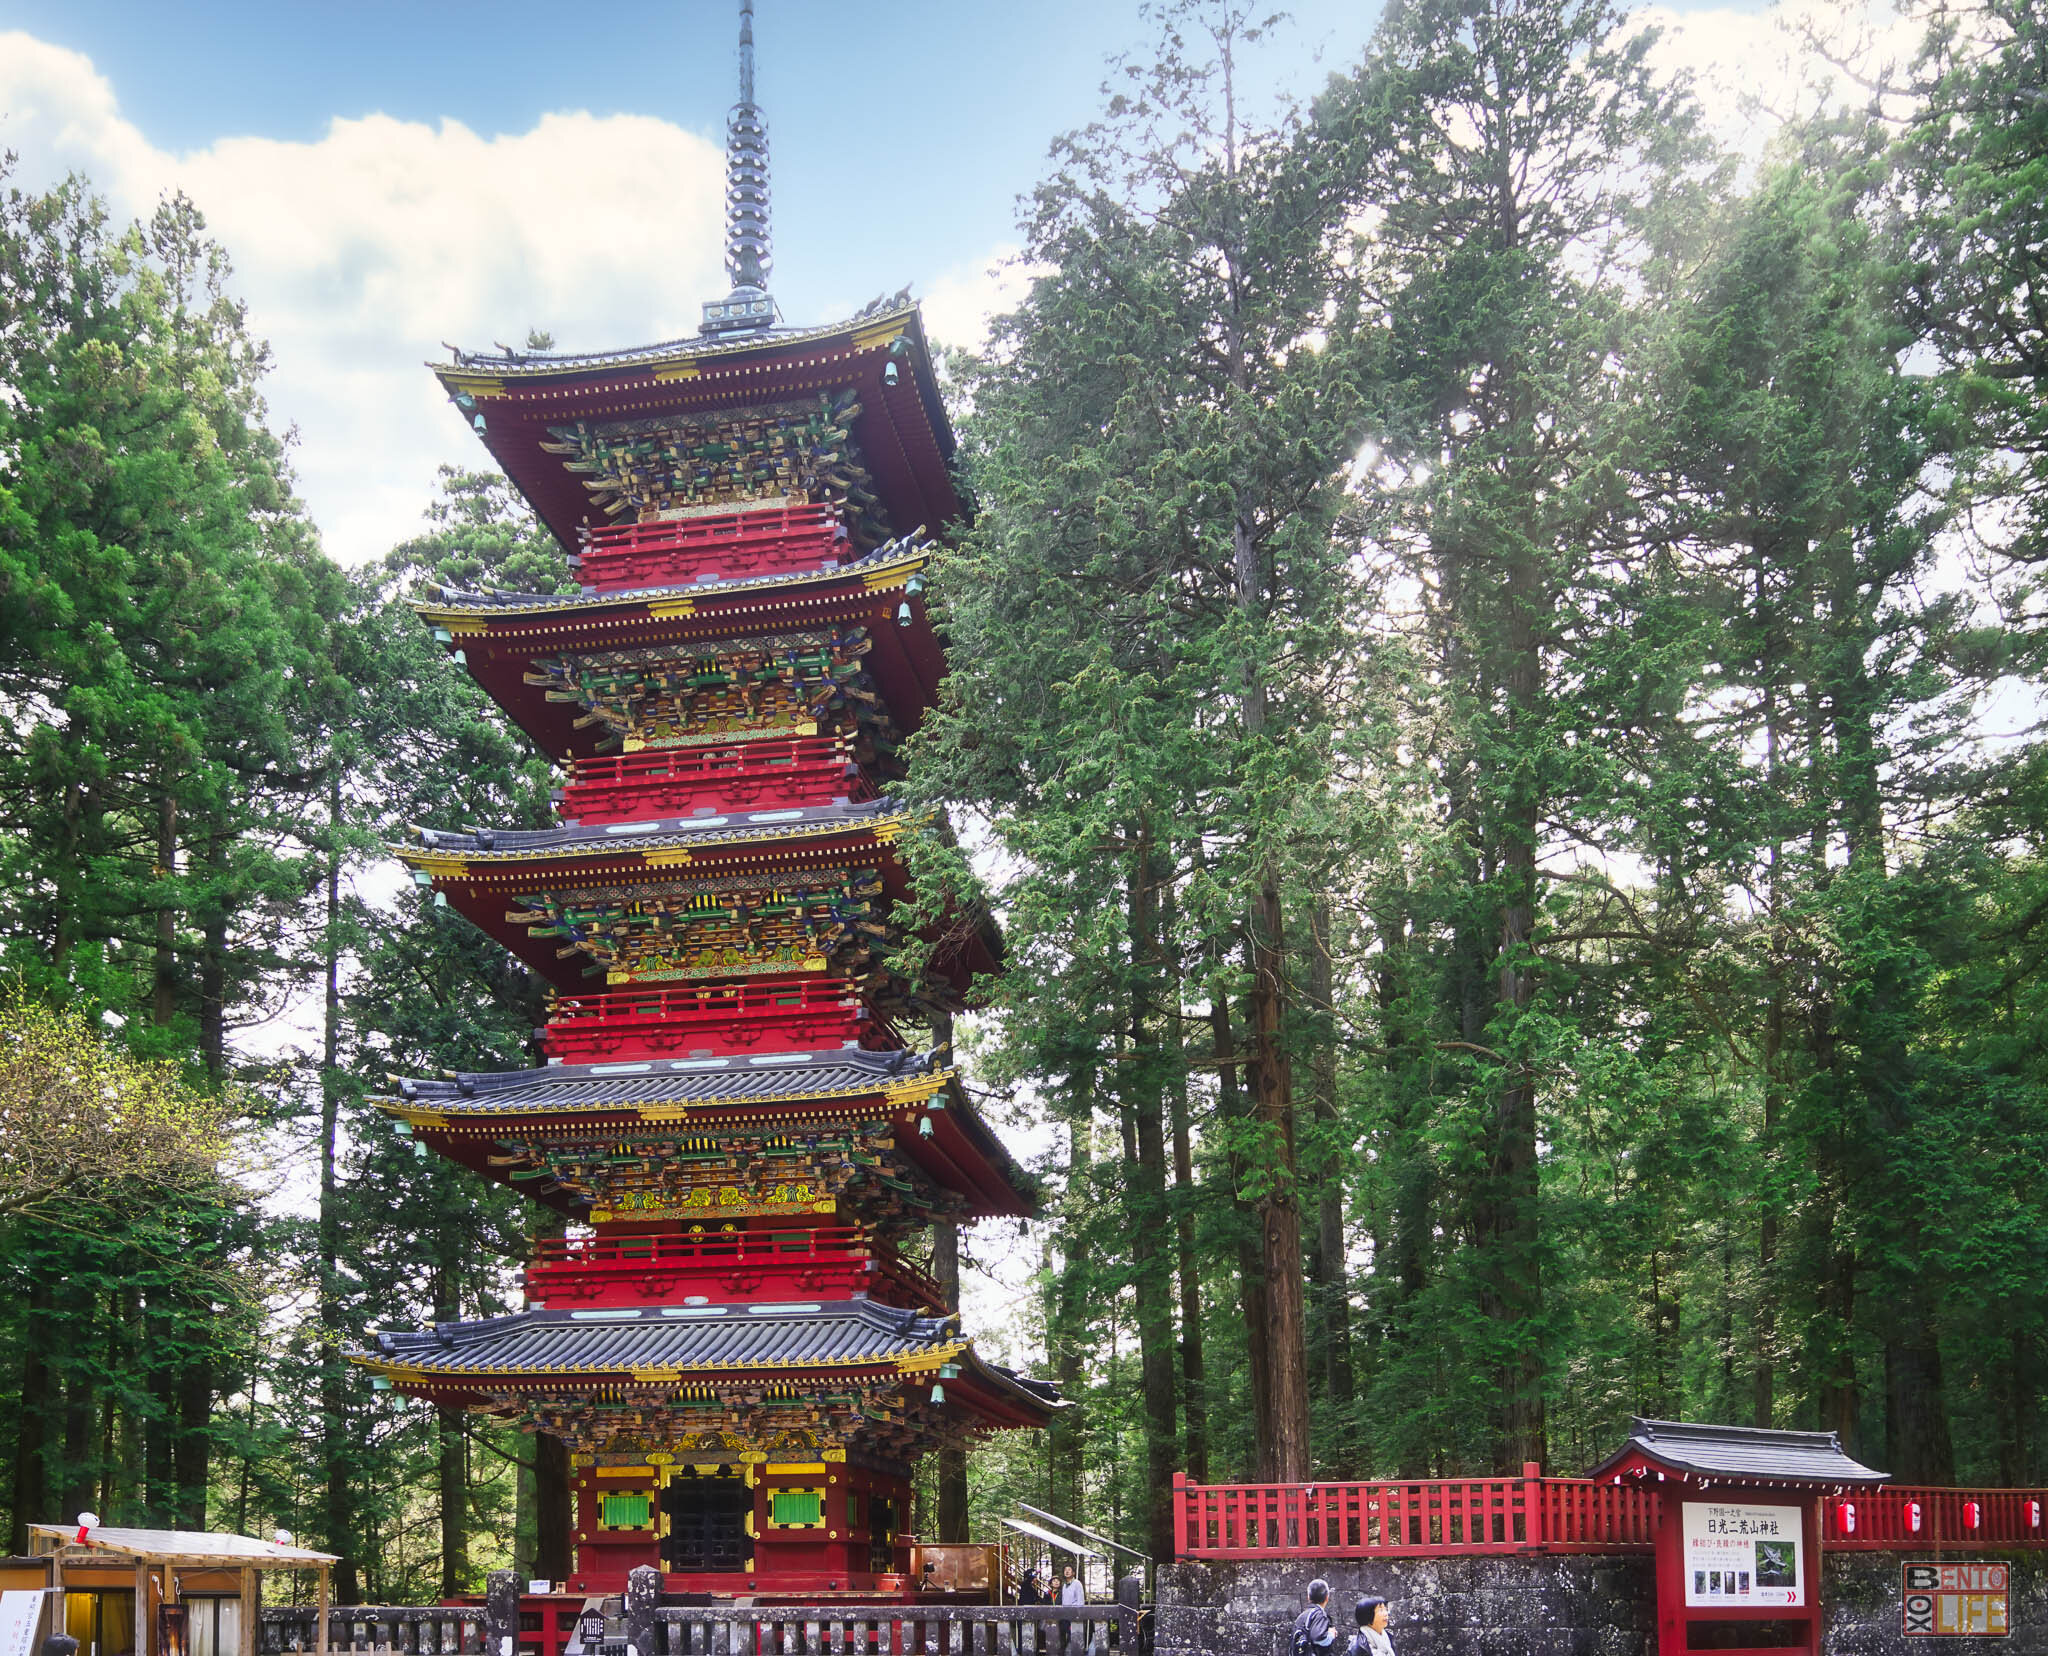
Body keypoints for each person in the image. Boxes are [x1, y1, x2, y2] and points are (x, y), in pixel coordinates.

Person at [1292, 1580, 1339, 1656]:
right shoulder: (1319, 1615)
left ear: (1308, 1597)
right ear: (1327, 1598)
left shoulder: (1302, 1616)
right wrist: (1331, 1634)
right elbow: (1318, 1638)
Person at [1059, 1563, 1086, 1654]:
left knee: (1073, 1635)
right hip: (1064, 1614)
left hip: (1074, 1614)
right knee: (1063, 1635)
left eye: (1069, 1570)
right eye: (1065, 1570)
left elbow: (1080, 1599)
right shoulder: (1064, 1585)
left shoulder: (1077, 1583)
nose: (1067, 1571)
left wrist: (1077, 1613)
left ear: (1073, 1573)